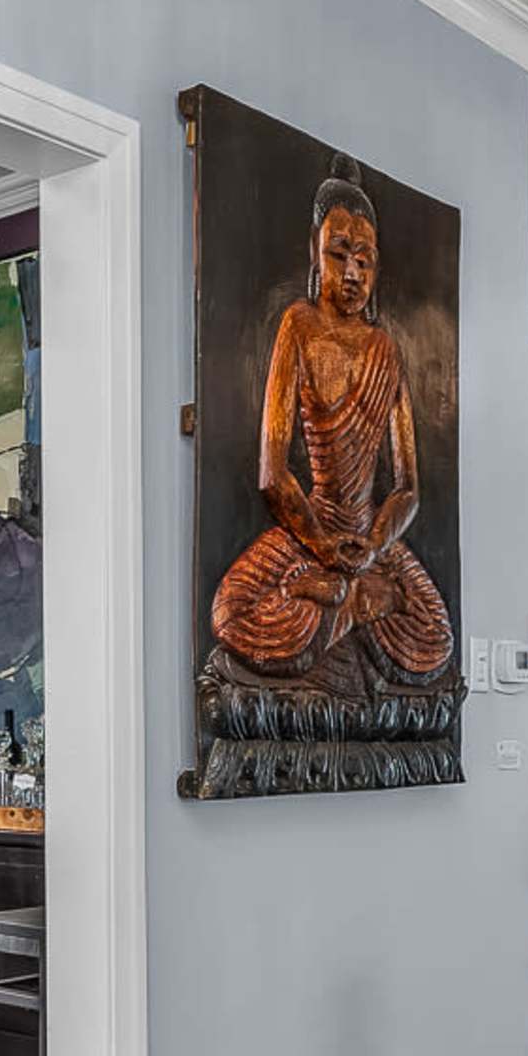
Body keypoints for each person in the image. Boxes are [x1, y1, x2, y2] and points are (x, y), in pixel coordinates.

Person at [209, 168, 452, 680]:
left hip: (369, 540)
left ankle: (340, 598)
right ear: (315, 255)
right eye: (338, 254)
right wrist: (322, 546)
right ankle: (351, 599)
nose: (352, 272)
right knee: (231, 612)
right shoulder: (298, 325)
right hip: (312, 527)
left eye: (364, 260)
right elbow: (273, 473)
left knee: (436, 637)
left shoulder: (384, 347)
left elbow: (407, 486)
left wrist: (375, 546)